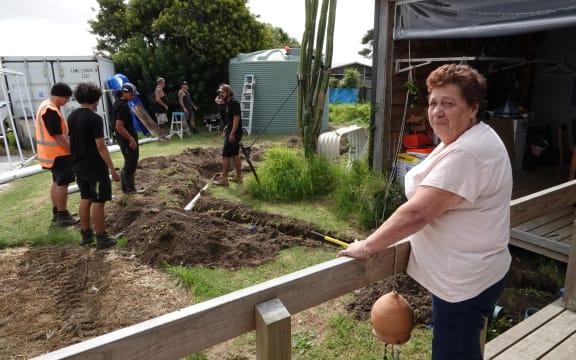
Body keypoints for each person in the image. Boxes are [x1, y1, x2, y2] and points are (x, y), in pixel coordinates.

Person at [338, 64, 512, 360]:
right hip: (476, 272)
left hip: (463, 284)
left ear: (473, 108)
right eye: (432, 103)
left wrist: (367, 246)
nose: (437, 112)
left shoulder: (468, 153)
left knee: (452, 354)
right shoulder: (466, 138)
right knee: (463, 349)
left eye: (448, 103)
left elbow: (417, 214)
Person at [68, 82, 120, 249]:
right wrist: (112, 169)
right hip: (94, 168)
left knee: (85, 199)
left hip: (78, 165)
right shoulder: (94, 118)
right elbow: (101, 146)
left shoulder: (72, 116)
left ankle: (86, 235)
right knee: (99, 201)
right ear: (96, 99)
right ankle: (101, 237)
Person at [35, 82, 79, 227]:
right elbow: (58, 136)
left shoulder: (46, 106)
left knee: (56, 182)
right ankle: (62, 215)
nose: (67, 102)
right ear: (60, 96)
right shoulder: (50, 110)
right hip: (58, 154)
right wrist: (72, 151)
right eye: (67, 98)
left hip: (51, 155)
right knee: (62, 184)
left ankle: (58, 212)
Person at [113, 82, 144, 194]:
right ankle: (130, 190)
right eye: (132, 94)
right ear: (125, 92)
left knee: (128, 164)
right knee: (130, 166)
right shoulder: (122, 106)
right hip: (127, 141)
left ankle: (127, 189)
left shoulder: (119, 102)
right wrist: (131, 139)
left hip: (123, 140)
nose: (133, 96)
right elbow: (119, 125)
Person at [213, 84, 243, 186]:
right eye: (220, 92)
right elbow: (230, 119)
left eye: (223, 92)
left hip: (234, 133)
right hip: (231, 130)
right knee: (235, 154)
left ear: (229, 93)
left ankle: (224, 179)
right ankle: (238, 177)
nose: (221, 94)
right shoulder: (227, 103)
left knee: (225, 155)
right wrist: (227, 126)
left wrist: (232, 133)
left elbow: (236, 118)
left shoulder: (234, 103)